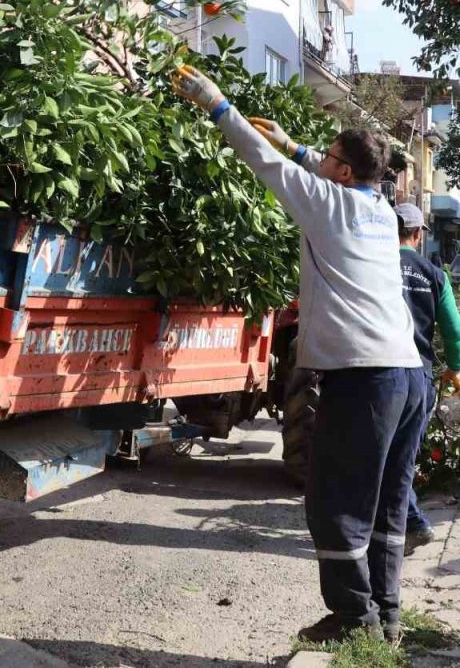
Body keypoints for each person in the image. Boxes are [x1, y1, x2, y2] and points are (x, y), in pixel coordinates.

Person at [169, 64, 421, 645]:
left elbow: (266, 165)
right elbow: (312, 167)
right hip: (406, 378)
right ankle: (386, 617)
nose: (321, 161)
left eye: (330, 156)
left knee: (335, 503)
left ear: (345, 171)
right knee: (386, 503)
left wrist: (216, 104)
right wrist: (298, 144)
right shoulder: (380, 211)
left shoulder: (327, 207)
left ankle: (352, 623)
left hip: (363, 380)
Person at [393, 204, 460, 552]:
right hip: (418, 376)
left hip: (376, 372)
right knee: (404, 455)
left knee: (380, 457)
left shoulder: (372, 266)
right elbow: (454, 330)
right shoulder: (435, 274)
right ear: (419, 234)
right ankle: (407, 524)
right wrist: (454, 366)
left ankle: (405, 525)